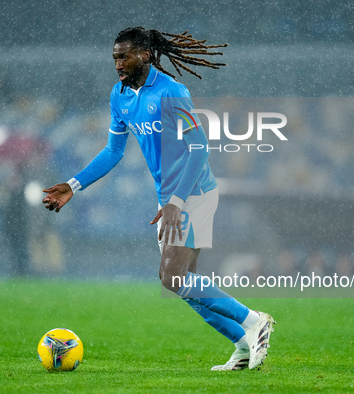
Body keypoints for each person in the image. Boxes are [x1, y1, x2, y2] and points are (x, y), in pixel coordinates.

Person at [42, 26, 275, 371]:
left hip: (193, 192)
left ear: (146, 55)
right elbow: (112, 151)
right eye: (114, 57)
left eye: (124, 56)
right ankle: (242, 346)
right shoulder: (120, 95)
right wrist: (74, 186)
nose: (118, 63)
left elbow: (199, 149)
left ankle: (254, 321)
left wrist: (177, 202)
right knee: (183, 284)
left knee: (172, 278)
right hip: (168, 198)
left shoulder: (171, 92)